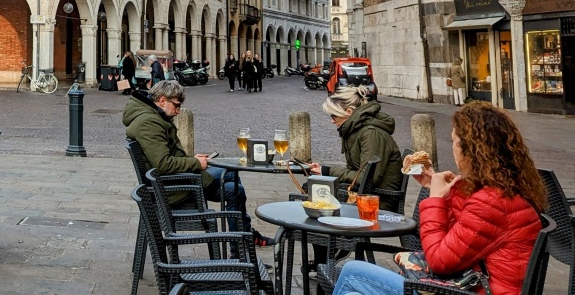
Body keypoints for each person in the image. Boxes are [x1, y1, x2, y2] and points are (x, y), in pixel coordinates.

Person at [331, 101, 545, 295]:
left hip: (472, 289)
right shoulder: (505, 188)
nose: (452, 147)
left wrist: (435, 200)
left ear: (470, 150)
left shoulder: (491, 202)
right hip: (474, 282)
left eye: (453, 141)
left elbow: (439, 260)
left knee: (352, 272)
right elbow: (464, 236)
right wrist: (443, 188)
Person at [123, 80, 272, 246]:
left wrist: (192, 159)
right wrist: (195, 163)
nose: (178, 111)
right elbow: (163, 164)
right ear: (162, 100)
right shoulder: (149, 123)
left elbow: (164, 157)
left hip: (172, 181)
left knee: (234, 189)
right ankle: (244, 242)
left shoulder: (152, 116)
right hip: (171, 187)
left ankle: (242, 244)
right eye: (176, 105)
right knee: (230, 173)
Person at [307, 85, 404, 209]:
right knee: (313, 195)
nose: (332, 121)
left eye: (334, 116)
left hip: (377, 202)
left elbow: (367, 177)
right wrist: (324, 170)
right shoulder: (356, 131)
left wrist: (328, 171)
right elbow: (358, 172)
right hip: (367, 194)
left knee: (316, 204)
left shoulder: (370, 133)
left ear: (348, 112)